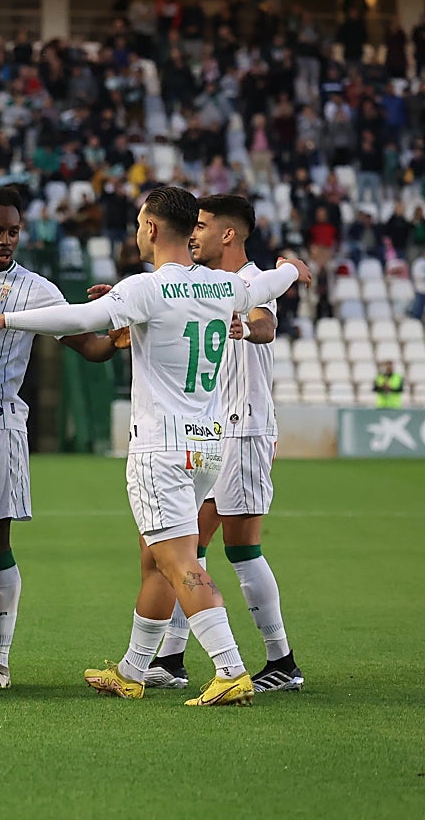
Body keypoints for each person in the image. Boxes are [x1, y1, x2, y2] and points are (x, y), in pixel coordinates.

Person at [0, 186, 311, 706]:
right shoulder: (224, 287)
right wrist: (293, 269)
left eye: (140, 224)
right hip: (206, 448)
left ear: (150, 229)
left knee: (178, 562)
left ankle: (230, 668)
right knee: (157, 559)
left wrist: (1, 318)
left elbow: (78, 321)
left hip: (161, 451)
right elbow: (274, 284)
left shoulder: (146, 288)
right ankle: (133, 669)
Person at [0, 187, 117, 694]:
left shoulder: (38, 289)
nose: (6, 240)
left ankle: (0, 660)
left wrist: (121, 323)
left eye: (13, 231)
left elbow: (93, 349)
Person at [146, 194, 304, 693]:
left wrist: (247, 328)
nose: (193, 233)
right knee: (189, 545)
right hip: (213, 432)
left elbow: (267, 323)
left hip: (248, 427)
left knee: (241, 547)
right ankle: (171, 659)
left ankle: (282, 661)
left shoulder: (253, 282)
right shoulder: (205, 285)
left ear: (228, 235)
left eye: (202, 225)